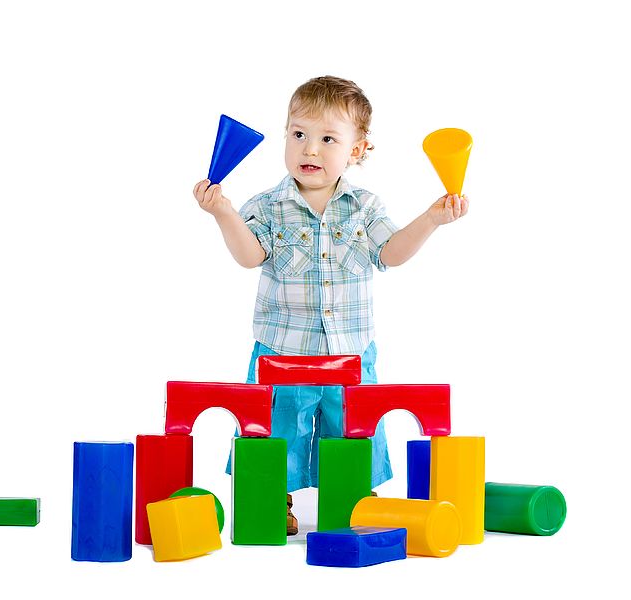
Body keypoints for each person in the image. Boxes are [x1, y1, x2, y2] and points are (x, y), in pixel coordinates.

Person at [192, 75, 469, 535]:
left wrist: (432, 219)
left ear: (357, 151)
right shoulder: (268, 205)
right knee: (276, 428)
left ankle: (356, 496)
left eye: (327, 139)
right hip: (283, 354)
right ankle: (270, 496)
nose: (310, 150)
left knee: (354, 428)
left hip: (350, 354)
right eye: (298, 135)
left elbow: (390, 253)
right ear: (285, 137)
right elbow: (249, 257)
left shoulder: (364, 207)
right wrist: (223, 211)